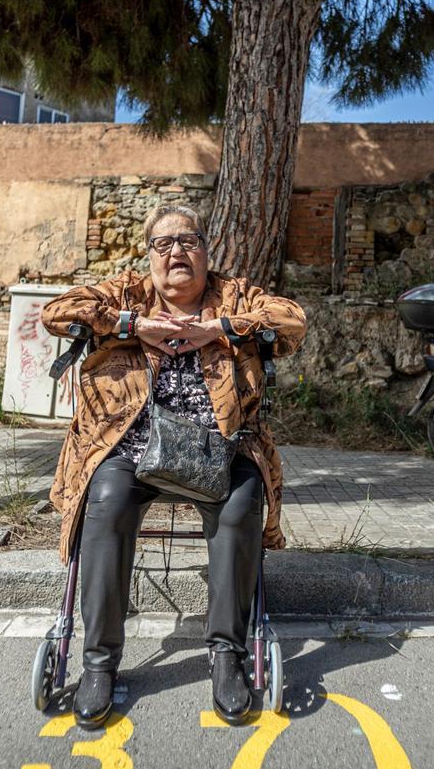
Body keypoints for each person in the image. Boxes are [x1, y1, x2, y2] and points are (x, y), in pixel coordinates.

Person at [42, 204, 306, 729]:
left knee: (240, 504)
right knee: (107, 501)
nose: (176, 252)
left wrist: (219, 329)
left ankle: (227, 654)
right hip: (130, 446)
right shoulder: (127, 294)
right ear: (148, 257)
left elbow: (292, 320)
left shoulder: (232, 296)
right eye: (162, 244)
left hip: (219, 447)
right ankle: (99, 663)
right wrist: (130, 325)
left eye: (188, 241)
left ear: (207, 252)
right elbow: (57, 311)